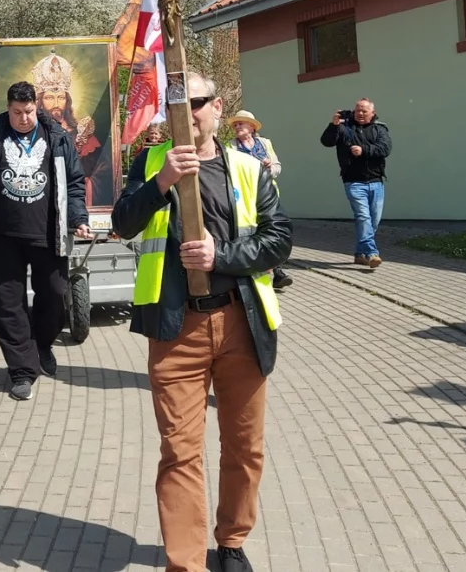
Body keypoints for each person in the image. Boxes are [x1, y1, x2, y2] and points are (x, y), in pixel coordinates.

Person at [112, 72, 291, 572]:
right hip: (176, 331)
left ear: (217, 108)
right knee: (180, 451)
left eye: (197, 103)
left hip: (242, 324)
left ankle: (231, 542)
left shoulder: (249, 168)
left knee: (245, 446)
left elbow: (279, 240)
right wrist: (162, 181)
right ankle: (185, 562)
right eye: (177, 105)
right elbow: (123, 223)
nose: (188, 113)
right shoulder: (149, 163)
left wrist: (222, 255)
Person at [0, 81, 92, 401]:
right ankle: (21, 371)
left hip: (48, 234)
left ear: (36, 107)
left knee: (55, 297)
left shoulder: (56, 136)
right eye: (17, 112)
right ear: (9, 107)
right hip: (2, 238)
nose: (24, 118)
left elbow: (73, 181)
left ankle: (41, 344)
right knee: (7, 305)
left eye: (28, 112)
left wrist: (79, 218)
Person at [31, 52, 114, 208]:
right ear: (40, 101)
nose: (56, 103)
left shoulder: (83, 134)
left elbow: (104, 170)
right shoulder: (32, 134)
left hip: (74, 200)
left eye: (61, 97)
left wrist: (87, 183)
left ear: (67, 101)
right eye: (49, 97)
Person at [319, 99, 391, 268]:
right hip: (353, 182)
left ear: (372, 113)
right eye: (357, 110)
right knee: (363, 217)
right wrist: (333, 125)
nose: (360, 113)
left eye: (364, 111)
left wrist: (363, 150)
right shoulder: (344, 128)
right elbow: (326, 142)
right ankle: (372, 253)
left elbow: (385, 149)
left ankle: (360, 254)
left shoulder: (380, 129)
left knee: (372, 221)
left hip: (376, 182)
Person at [230, 111, 292, 291]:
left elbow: (277, 167)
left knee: (274, 232)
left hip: (269, 194)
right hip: (247, 196)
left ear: (252, 126)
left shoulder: (265, 143)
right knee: (255, 233)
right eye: (235, 125)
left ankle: (278, 273)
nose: (237, 127)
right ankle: (259, 271)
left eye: (241, 123)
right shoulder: (231, 146)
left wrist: (268, 168)